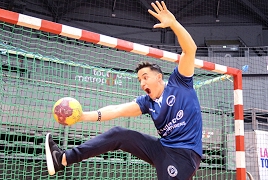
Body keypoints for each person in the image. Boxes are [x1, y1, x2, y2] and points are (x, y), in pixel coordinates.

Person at [45, 1, 202, 179]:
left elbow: (190, 50)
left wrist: (173, 23)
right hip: (162, 148)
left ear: (159, 77)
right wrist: (83, 116)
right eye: (139, 80)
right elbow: (116, 110)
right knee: (120, 134)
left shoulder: (179, 83)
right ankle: (63, 158)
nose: (142, 83)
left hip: (184, 154)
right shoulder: (147, 102)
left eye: (145, 77)